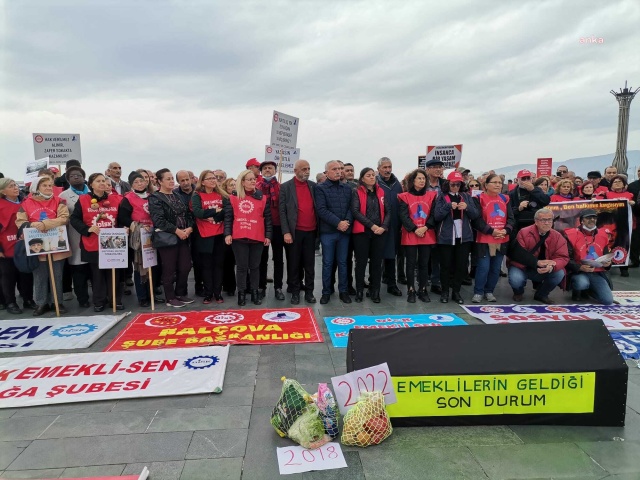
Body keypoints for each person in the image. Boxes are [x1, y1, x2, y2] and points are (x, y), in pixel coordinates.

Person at [16, 176, 71, 315]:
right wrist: (34, 225)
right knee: (40, 276)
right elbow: (20, 221)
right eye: (45, 185)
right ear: (36, 187)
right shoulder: (26, 203)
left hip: (57, 243)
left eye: (50, 185)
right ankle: (41, 303)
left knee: (57, 275)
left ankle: (57, 302)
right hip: (37, 245)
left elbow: (64, 218)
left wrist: (45, 224)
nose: (48, 188)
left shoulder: (59, 201)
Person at [69, 173, 124, 312]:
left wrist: (125, 228)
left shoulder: (116, 199)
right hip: (93, 242)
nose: (102, 183)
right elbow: (74, 219)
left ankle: (115, 300)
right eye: (98, 181)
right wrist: (87, 229)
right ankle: (99, 301)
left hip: (113, 241)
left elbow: (122, 218)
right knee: (97, 274)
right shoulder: (83, 200)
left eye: (104, 181)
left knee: (114, 272)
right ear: (91, 184)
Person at [147, 169, 195, 308]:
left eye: (171, 178)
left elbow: (187, 214)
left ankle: (180, 293)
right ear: (159, 181)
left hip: (184, 236)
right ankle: (170, 297)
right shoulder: (155, 198)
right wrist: (177, 231)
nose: (171, 181)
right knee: (169, 268)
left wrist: (190, 228)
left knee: (185, 266)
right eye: (167, 179)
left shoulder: (177, 195)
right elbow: (159, 220)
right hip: (167, 238)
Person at [224, 169, 272, 305]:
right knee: (241, 267)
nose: (253, 181)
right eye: (249, 179)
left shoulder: (262, 197)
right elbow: (228, 217)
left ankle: (255, 293)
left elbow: (268, 218)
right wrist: (227, 233)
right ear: (243, 182)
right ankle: (241, 294)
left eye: (254, 179)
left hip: (257, 236)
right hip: (239, 237)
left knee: (255, 266)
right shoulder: (233, 197)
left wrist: (268, 235)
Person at [432, 171, 479, 304]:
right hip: (446, 237)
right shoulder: (441, 197)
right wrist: (448, 206)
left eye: (458, 185)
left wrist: (468, 208)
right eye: (453, 184)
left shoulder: (466, 196)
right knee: (445, 265)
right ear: (448, 184)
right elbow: (437, 216)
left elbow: (475, 215)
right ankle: (445, 291)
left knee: (461, 265)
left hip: (464, 236)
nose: (455, 187)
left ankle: (456, 291)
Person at [118, 171, 163, 307]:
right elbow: (123, 217)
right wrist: (137, 226)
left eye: (141, 181)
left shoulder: (152, 196)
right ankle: (142, 297)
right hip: (139, 237)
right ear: (132, 184)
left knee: (154, 266)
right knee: (140, 268)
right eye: (136, 182)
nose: (139, 184)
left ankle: (152, 294)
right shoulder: (128, 198)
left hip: (153, 235)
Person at [507, 208, 569, 304]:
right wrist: (537, 263)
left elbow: (563, 257)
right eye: (543, 220)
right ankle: (518, 292)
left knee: (559, 273)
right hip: (523, 267)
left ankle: (542, 294)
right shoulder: (524, 232)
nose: (547, 223)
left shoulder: (558, 236)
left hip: (544, 268)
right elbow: (519, 254)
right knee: (516, 279)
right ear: (536, 221)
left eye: (550, 220)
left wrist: (552, 266)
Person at [471, 174, 515, 303]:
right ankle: (478, 292)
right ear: (486, 185)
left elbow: (511, 218)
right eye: (494, 182)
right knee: (483, 267)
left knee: (495, 268)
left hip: (501, 239)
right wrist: (492, 231)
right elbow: (476, 220)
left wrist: (506, 231)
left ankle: (489, 291)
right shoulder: (478, 198)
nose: (498, 185)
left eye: (500, 183)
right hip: (484, 239)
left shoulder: (505, 198)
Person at [279, 159, 317, 305]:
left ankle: (309, 292)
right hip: (294, 232)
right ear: (295, 171)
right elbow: (282, 212)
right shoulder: (286, 187)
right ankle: (295, 292)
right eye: (303, 169)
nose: (307, 171)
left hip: (311, 231)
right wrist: (286, 232)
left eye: (308, 168)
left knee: (309, 264)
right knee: (293, 264)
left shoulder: (313, 186)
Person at [315, 160, 353, 304]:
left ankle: (343, 291)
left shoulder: (347, 188)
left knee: (343, 262)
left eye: (340, 168)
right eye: (334, 169)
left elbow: (351, 208)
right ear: (327, 172)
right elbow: (322, 210)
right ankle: (326, 292)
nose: (338, 171)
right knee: (328, 263)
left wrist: (346, 222)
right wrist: (338, 223)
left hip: (344, 232)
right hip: (328, 232)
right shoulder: (320, 188)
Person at [398, 168, 438, 303]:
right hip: (411, 233)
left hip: (426, 233)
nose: (422, 181)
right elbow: (403, 215)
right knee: (410, 264)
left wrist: (426, 227)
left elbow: (434, 214)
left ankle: (422, 289)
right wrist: (415, 229)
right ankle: (411, 290)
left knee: (424, 264)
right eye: (419, 178)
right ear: (413, 180)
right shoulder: (404, 197)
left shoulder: (432, 196)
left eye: (424, 178)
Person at [351, 167, 389, 303]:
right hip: (363, 232)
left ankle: (375, 291)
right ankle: (360, 290)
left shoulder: (381, 191)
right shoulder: (356, 192)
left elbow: (388, 211)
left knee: (376, 263)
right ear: (362, 178)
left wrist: (383, 227)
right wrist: (372, 226)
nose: (372, 177)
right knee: (360, 263)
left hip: (379, 232)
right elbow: (355, 212)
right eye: (369, 175)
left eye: (373, 175)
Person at [191, 170, 227, 304]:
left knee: (218, 265)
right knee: (206, 266)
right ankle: (208, 293)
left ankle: (218, 293)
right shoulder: (197, 195)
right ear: (203, 181)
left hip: (219, 234)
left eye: (214, 178)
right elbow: (198, 212)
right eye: (209, 178)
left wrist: (215, 215)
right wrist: (215, 210)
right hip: (204, 235)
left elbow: (226, 211)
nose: (213, 180)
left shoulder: (222, 194)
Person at [564, 209, 613, 305]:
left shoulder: (603, 234)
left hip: (597, 272)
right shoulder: (571, 235)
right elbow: (566, 258)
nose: (592, 220)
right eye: (588, 218)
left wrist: (608, 263)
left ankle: (588, 290)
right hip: (578, 272)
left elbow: (606, 256)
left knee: (608, 301)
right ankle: (578, 291)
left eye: (594, 218)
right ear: (581, 220)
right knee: (581, 283)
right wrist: (580, 267)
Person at [59, 166, 92, 308]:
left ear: (84, 177)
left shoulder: (94, 192)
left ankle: (98, 296)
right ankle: (82, 298)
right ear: (67, 179)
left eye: (79, 175)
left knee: (94, 269)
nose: (76, 177)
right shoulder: (63, 196)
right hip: (74, 235)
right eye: (72, 176)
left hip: (93, 236)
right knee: (79, 270)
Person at [0, 178, 34, 314]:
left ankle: (28, 299)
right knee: (8, 276)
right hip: (6, 247)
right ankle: (10, 302)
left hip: (24, 245)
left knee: (26, 274)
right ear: (2, 191)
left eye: (15, 185)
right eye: (11, 186)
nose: (15, 188)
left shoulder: (25, 202)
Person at [257, 160, 285, 300]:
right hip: (262, 227)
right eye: (265, 168)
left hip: (278, 225)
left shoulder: (281, 187)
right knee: (262, 259)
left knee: (278, 258)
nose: (268, 170)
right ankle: (261, 286)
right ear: (261, 172)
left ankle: (278, 287)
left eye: (271, 168)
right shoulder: (256, 188)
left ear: (275, 170)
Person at [376, 157, 404, 296]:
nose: (387, 170)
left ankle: (391, 283)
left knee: (392, 254)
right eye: (385, 167)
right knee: (379, 255)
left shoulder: (397, 184)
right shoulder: (375, 183)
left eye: (389, 167)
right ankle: (376, 282)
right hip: (380, 225)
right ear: (379, 169)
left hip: (395, 224)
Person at [174, 169, 203, 296]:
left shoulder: (199, 191)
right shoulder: (174, 194)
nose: (186, 183)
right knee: (183, 263)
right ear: (178, 182)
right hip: (181, 231)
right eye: (182, 181)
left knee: (198, 261)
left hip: (198, 229)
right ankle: (181, 290)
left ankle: (199, 287)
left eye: (187, 179)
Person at [221, 177, 237, 295]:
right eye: (231, 185)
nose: (233, 187)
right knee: (228, 262)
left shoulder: (240, 197)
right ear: (225, 188)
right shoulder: (224, 199)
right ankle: (229, 286)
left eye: (235, 184)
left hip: (239, 232)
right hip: (227, 232)